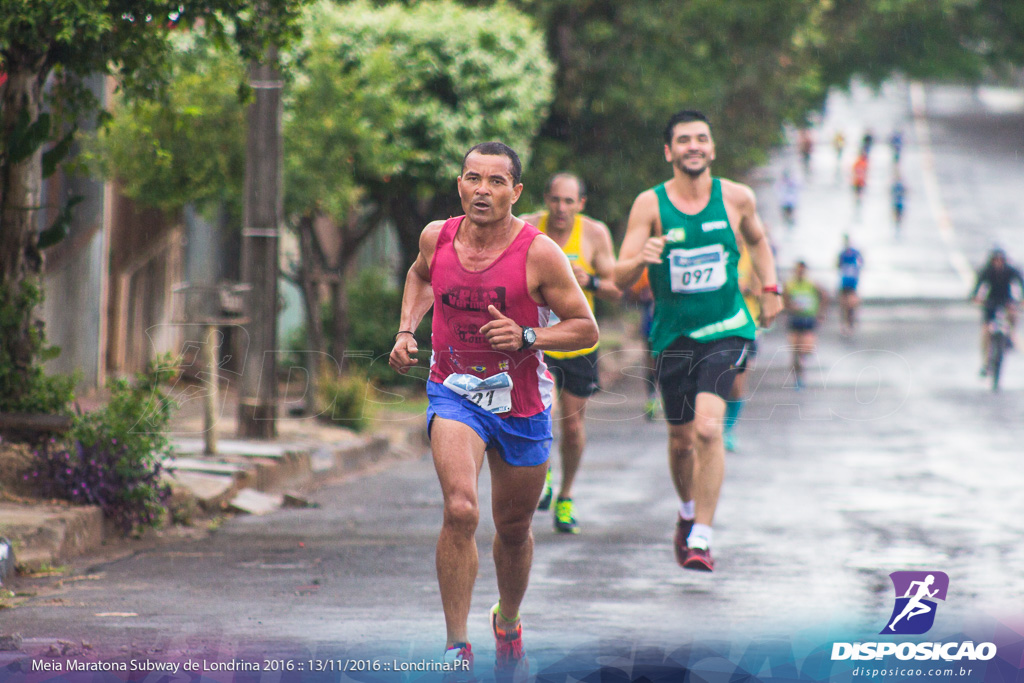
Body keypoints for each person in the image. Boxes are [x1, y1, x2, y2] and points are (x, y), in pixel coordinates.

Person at [389, 142, 598, 675]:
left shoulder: (540, 252)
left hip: (521, 404)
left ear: (516, 192)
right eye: (472, 178)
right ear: (460, 183)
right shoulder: (437, 236)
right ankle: (457, 647)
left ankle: (507, 621)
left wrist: (529, 334)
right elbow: (418, 276)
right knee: (461, 508)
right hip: (454, 390)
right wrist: (406, 330)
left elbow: (585, 328)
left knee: (513, 530)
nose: (482, 189)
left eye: (496, 181)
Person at [614, 110, 782, 572]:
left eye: (701, 139)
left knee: (709, 428)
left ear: (712, 148)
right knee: (681, 440)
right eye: (684, 140)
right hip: (673, 335)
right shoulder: (649, 205)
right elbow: (618, 274)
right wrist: (641, 260)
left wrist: (771, 289)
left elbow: (760, 242)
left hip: (727, 326)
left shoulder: (737, 198)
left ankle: (702, 539)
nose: (694, 146)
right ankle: (687, 513)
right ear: (669, 152)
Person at [520, 172, 621, 535]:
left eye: (569, 202)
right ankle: (542, 479)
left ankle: (566, 495)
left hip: (579, 343)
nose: (561, 209)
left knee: (573, 426)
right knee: (538, 417)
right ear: (546, 199)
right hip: (539, 339)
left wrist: (590, 280)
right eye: (555, 200)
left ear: (581, 204)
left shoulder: (594, 234)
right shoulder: (528, 227)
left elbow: (616, 290)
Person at [722, 244, 762, 452]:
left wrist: (747, 286)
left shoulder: (753, 254)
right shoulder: (716, 247)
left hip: (745, 327)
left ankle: (728, 428)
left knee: (736, 384)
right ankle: (712, 425)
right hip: (717, 326)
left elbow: (759, 288)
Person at [971, 247, 1023, 375]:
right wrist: (976, 298)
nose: (998, 263)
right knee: (986, 331)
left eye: (1000, 260)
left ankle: (1009, 337)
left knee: (1013, 315)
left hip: (1006, 300)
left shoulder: (1010, 271)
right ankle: (985, 362)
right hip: (990, 301)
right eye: (996, 260)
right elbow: (977, 287)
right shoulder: (987, 271)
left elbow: (1021, 283)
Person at [783, 260, 828, 389]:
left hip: (808, 320)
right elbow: (784, 301)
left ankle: (801, 367)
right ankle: (798, 377)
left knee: (805, 350)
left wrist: (821, 313)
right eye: (798, 270)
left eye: (802, 270)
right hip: (794, 320)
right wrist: (791, 307)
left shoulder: (812, 284)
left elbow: (824, 296)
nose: (800, 273)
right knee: (795, 352)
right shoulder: (789, 284)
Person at [837, 235, 864, 336]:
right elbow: (838, 265)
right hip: (845, 281)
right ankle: (845, 324)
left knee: (851, 304)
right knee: (844, 304)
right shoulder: (842, 254)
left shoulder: (854, 253)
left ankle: (851, 324)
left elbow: (861, 262)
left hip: (852, 281)